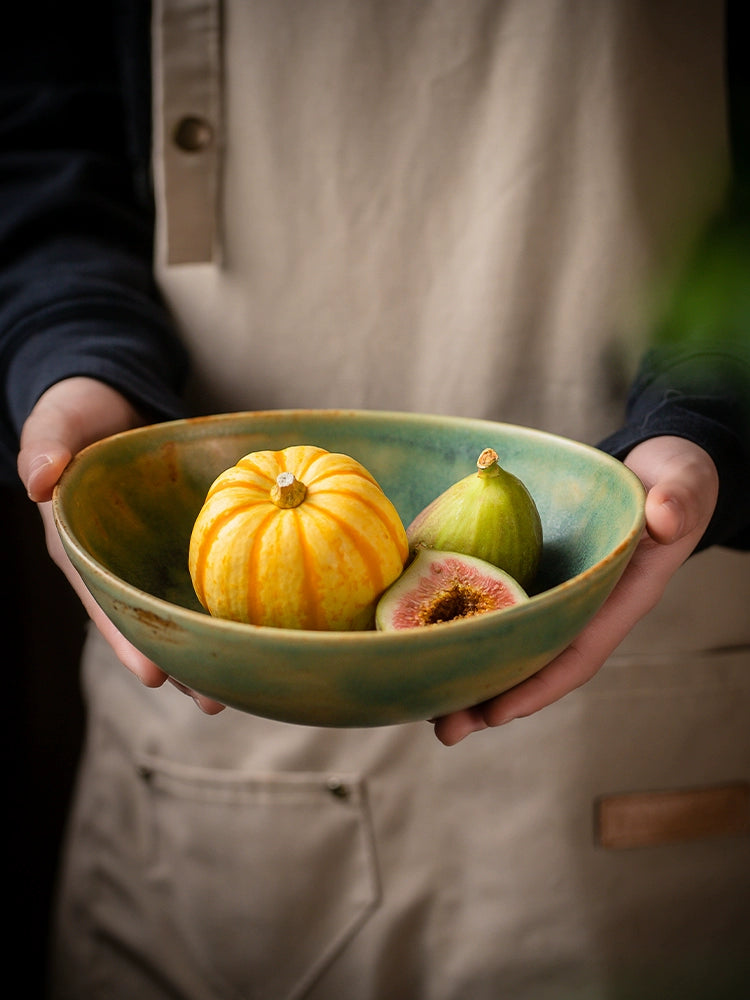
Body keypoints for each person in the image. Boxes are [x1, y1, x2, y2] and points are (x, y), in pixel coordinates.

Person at [3, 2, 749, 998]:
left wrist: (711, 412)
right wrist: (74, 358)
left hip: (623, 643)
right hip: (198, 677)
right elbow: (41, 136)